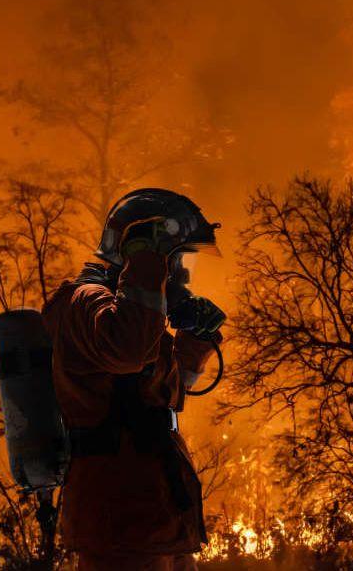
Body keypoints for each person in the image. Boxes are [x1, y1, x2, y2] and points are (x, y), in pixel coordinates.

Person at [43, 188, 226, 571]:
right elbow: (127, 354)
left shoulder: (130, 310)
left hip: (158, 520)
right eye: (176, 259)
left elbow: (164, 397)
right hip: (121, 525)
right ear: (135, 249)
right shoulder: (85, 302)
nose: (182, 273)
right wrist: (147, 264)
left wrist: (197, 339)